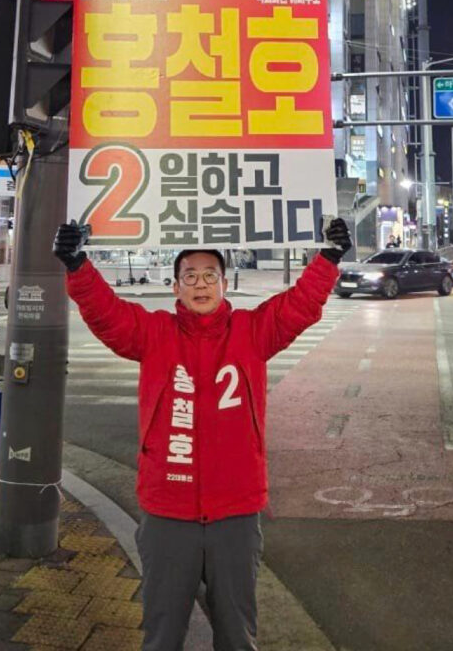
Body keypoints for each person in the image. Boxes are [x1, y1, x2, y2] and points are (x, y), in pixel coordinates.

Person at [53, 219, 352, 651]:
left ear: (225, 284)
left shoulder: (252, 332)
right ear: (175, 287)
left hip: (236, 512)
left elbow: (299, 306)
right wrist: (77, 265)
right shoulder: (154, 334)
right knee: (162, 634)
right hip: (167, 512)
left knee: (237, 635)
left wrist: (329, 257)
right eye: (189, 276)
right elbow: (107, 313)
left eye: (210, 275)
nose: (200, 283)